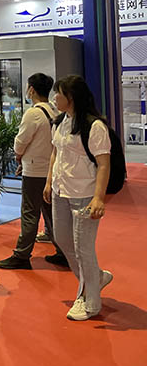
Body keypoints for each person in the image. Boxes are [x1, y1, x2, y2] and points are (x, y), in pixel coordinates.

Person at [44, 75, 113, 321]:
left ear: (71, 98)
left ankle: (89, 301)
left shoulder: (94, 126)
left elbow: (103, 164)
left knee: (83, 248)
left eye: (59, 94)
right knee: (63, 240)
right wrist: (49, 181)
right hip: (61, 191)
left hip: (84, 194)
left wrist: (99, 198)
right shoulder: (59, 122)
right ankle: (96, 278)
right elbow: (55, 152)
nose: (55, 98)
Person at [0, 73, 68, 270]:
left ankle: (22, 254)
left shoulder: (33, 114)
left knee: (29, 212)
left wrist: (19, 156)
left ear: (31, 90)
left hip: (34, 170)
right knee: (51, 213)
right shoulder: (54, 110)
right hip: (51, 170)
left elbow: (20, 142)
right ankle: (63, 252)